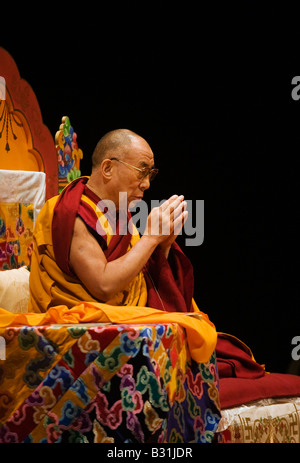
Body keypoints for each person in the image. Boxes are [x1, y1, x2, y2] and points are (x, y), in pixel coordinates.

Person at [29, 129, 200, 315]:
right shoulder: (72, 211)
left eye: (150, 174)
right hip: (81, 326)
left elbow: (139, 279)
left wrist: (162, 246)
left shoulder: (119, 213)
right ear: (108, 168)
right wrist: (150, 238)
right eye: (142, 172)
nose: (146, 184)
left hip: (127, 320)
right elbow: (103, 286)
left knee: (207, 337)